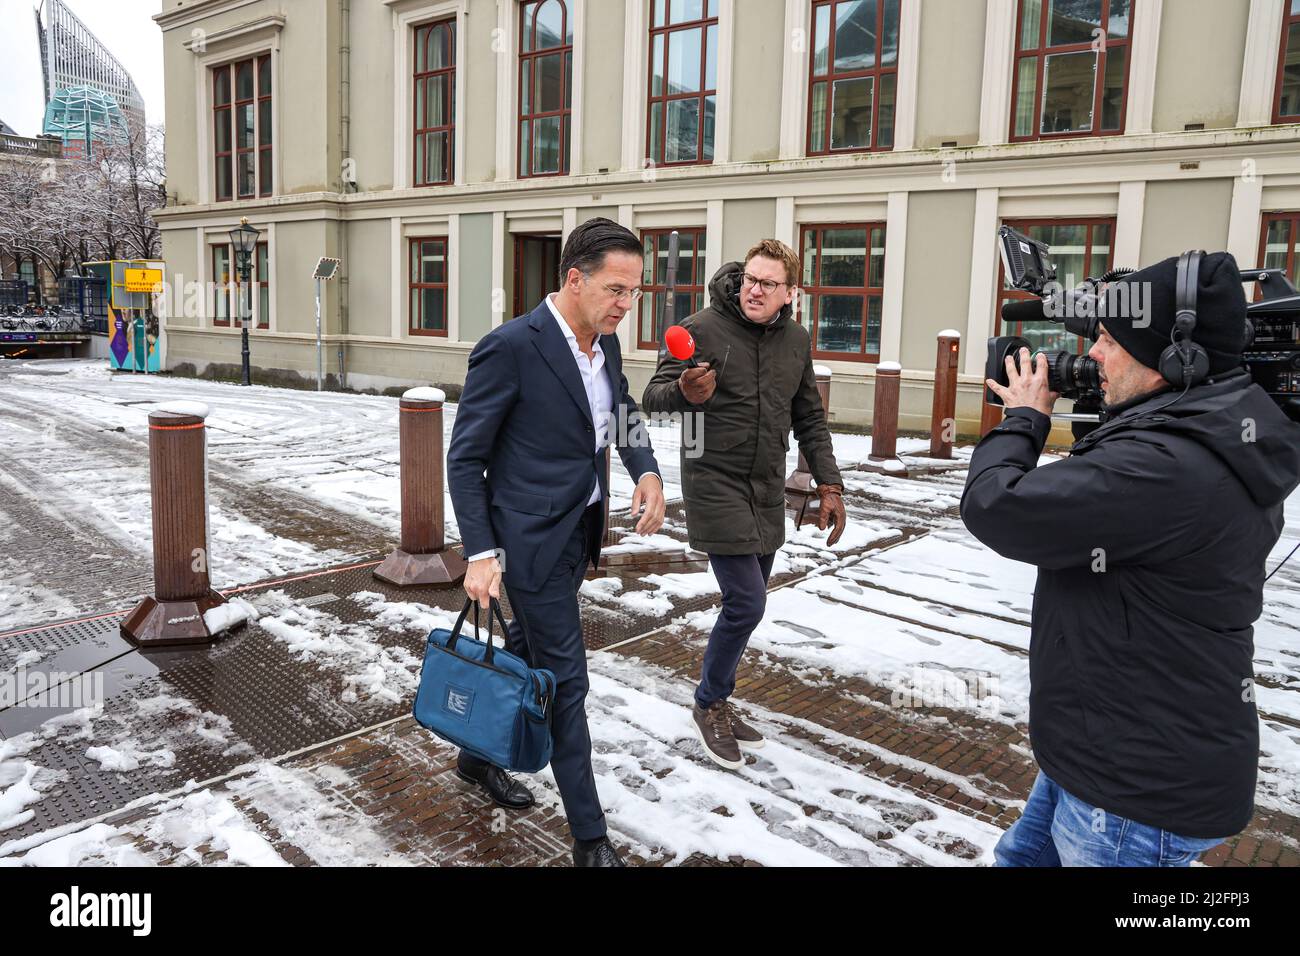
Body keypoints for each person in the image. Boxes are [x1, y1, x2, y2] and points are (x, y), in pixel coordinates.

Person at [961, 250, 1300, 866]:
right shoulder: (1213, 428)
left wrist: (1023, 421)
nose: (1092, 354)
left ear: (1177, 358)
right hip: (1105, 748)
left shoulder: (1165, 467)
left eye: (1111, 341)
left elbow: (996, 506)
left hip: (1133, 794)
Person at [446, 217, 666, 867]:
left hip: (581, 533)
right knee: (566, 682)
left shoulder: (606, 343)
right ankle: (590, 840)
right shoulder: (511, 346)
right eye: (616, 290)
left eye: (635, 292)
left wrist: (647, 470)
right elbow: (465, 460)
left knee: (527, 646)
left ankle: (474, 752)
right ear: (574, 279)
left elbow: (620, 412)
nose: (627, 305)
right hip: (528, 543)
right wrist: (482, 553)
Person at [642, 239, 846, 770]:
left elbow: (810, 419)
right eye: (750, 278)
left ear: (789, 293)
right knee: (747, 602)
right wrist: (685, 390)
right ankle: (709, 702)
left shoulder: (796, 340)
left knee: (747, 605)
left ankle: (719, 697)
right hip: (713, 482)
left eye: (768, 283)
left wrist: (830, 485)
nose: (754, 289)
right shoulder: (701, 328)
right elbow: (652, 398)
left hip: (764, 487)